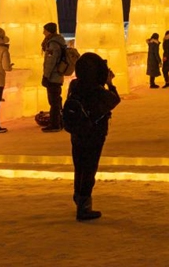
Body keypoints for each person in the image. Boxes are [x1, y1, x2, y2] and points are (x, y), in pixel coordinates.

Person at [66, 52, 120, 221]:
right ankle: (84, 206)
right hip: (94, 134)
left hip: (77, 132)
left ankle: (78, 196)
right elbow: (114, 100)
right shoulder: (97, 90)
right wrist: (110, 83)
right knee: (89, 169)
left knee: (79, 166)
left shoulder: (75, 85)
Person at [42, 22, 67, 132]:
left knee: (53, 101)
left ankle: (54, 124)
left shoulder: (53, 44)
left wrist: (46, 76)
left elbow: (50, 61)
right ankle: (60, 121)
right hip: (58, 75)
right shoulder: (59, 41)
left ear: (48, 31)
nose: (43, 32)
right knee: (57, 99)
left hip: (53, 76)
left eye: (44, 30)